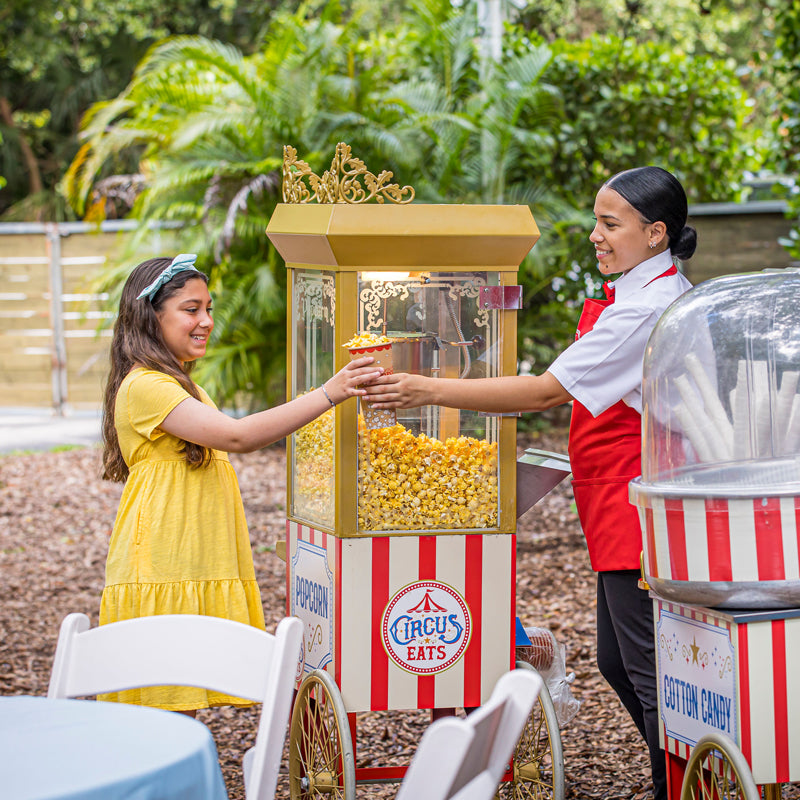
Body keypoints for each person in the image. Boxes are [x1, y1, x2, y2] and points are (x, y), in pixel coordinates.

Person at [364, 166, 695, 800]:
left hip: (638, 499)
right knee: (617, 660)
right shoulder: (641, 293)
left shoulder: (643, 309)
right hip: (619, 497)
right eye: (596, 221)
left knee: (648, 666)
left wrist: (424, 387)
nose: (595, 236)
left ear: (655, 233)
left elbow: (545, 390)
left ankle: (677, 785)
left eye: (610, 224)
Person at [99, 254, 382, 713]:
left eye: (209, 309)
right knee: (162, 697)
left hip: (189, 555)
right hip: (164, 560)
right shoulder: (146, 385)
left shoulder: (180, 383)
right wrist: (331, 392)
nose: (206, 321)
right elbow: (238, 435)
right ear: (150, 316)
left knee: (181, 693)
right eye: (191, 310)